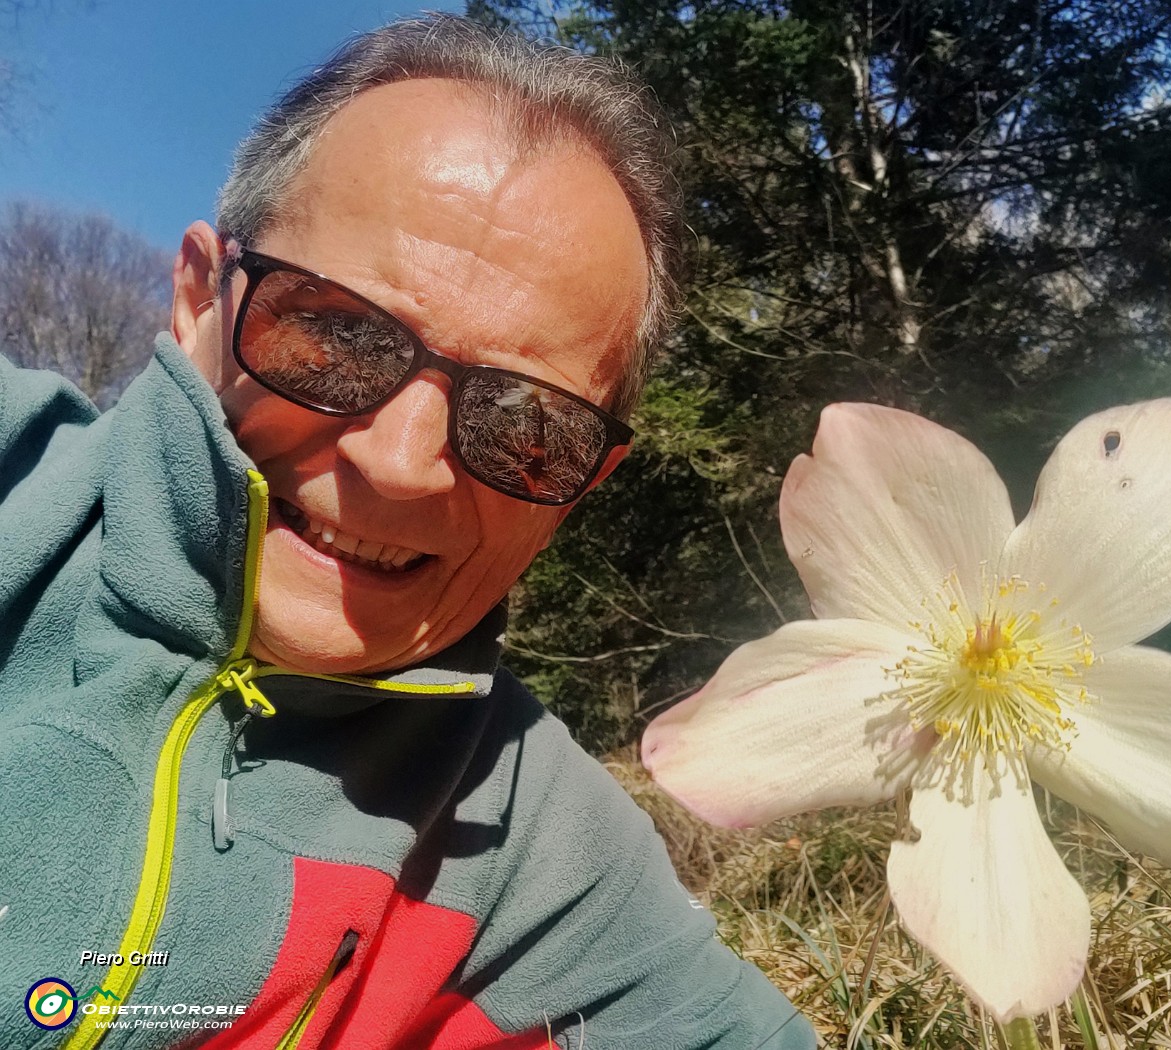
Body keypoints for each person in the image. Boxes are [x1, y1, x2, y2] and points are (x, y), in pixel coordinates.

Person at [0, 14, 816, 1049]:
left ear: (585, 483)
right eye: (335, 332)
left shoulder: (545, 858)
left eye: (527, 423)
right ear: (199, 300)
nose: (395, 461)